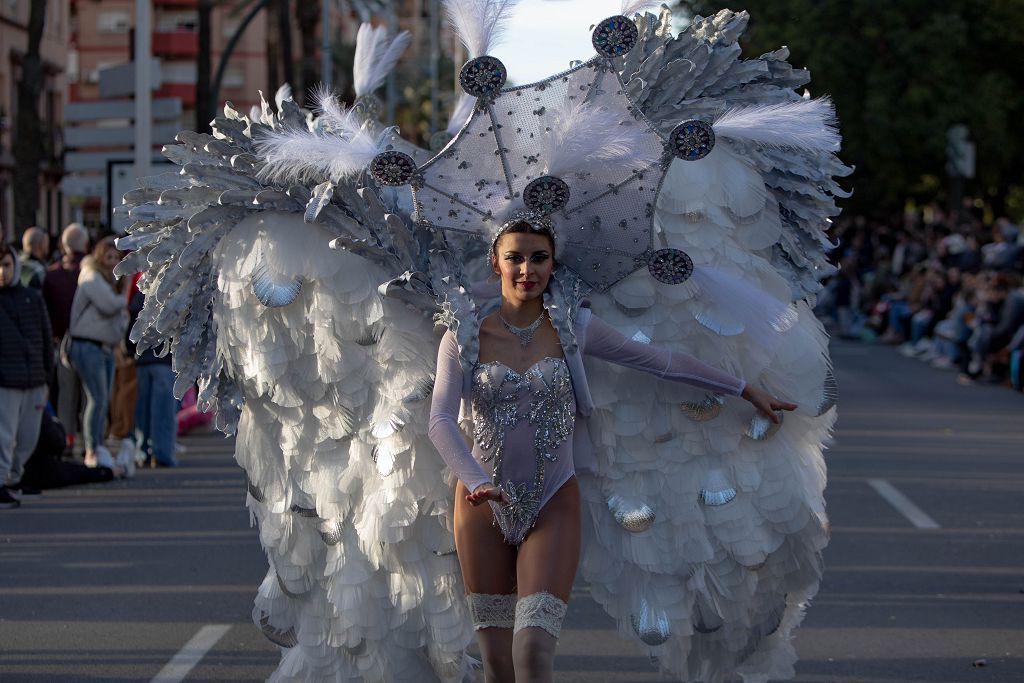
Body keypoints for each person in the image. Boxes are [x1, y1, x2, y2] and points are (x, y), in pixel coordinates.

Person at [429, 220, 795, 682]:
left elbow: (660, 362)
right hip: (479, 508)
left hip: (553, 501)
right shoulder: (462, 336)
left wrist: (743, 388)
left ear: (553, 264)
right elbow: (440, 420)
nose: (527, 269)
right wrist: (478, 482)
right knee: (499, 665)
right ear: (496, 263)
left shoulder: (573, 328)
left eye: (538, 257)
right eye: (515, 257)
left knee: (533, 651)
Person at [67, 236, 129, 473]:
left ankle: (99, 446)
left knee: (104, 399)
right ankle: (92, 448)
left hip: (105, 346)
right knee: (97, 398)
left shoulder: (111, 284)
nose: (112, 262)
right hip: (87, 345)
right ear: (99, 256)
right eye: (109, 256)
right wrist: (123, 294)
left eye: (117, 258)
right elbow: (110, 305)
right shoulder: (90, 276)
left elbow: (121, 320)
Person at [0, 244, 54, 508]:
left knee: (28, 436)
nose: (2, 271)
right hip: (6, 381)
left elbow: (45, 339)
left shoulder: (31, 297)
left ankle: (13, 478)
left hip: (33, 379)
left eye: (7, 265)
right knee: (4, 436)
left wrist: (46, 377)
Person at [43, 222, 89, 446]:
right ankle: (86, 441)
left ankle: (67, 440)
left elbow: (47, 313)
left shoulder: (51, 275)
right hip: (90, 341)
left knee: (66, 396)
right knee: (88, 396)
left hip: (61, 342)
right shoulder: (92, 272)